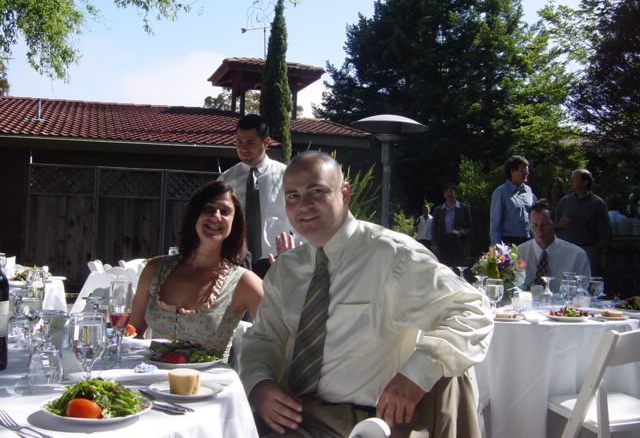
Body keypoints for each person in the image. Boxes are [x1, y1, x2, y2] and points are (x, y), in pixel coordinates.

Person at [240, 151, 493, 438]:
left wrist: (416, 375)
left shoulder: (393, 257)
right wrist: (258, 384)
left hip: (361, 420)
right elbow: (264, 338)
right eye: (292, 196)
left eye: (317, 191)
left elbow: (473, 310)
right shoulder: (286, 270)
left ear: (344, 193)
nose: (304, 205)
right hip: (289, 414)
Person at [130, 181, 263, 359]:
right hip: (151, 374)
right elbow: (133, 331)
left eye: (225, 212)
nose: (216, 216)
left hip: (210, 377)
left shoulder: (244, 282)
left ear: (234, 223)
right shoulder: (155, 270)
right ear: (194, 214)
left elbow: (275, 338)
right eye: (208, 209)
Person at [218, 113, 292, 278]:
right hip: (236, 260)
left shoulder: (286, 176)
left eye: (250, 143)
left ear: (266, 142)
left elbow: (296, 218)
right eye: (239, 142)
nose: (243, 148)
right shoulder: (226, 180)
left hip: (275, 260)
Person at [517, 200, 591, 293]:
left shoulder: (577, 255)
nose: (540, 230)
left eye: (545, 225)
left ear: (555, 223)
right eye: (535, 225)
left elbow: (583, 292)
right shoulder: (519, 253)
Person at [556, 169, 611, 276]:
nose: (570, 181)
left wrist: (604, 253)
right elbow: (552, 225)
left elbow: (604, 230)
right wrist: (559, 225)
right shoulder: (564, 202)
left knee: (587, 279)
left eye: (574, 179)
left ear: (585, 182)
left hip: (589, 250)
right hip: (567, 249)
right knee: (566, 280)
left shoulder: (598, 204)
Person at [489, 155, 536, 246]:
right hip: (508, 242)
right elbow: (495, 224)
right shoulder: (501, 192)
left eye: (527, 170)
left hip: (527, 242)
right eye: (523, 170)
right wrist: (495, 248)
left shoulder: (529, 191)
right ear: (512, 171)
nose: (527, 173)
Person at [431, 183, 472, 267]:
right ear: (444, 195)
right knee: (445, 270)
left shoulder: (464, 208)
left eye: (451, 191)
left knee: (458, 270)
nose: (449, 194)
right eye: (446, 192)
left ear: (456, 194)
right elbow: (434, 229)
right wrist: (435, 245)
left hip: (459, 245)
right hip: (443, 245)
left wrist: (464, 231)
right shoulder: (438, 210)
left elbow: (471, 227)